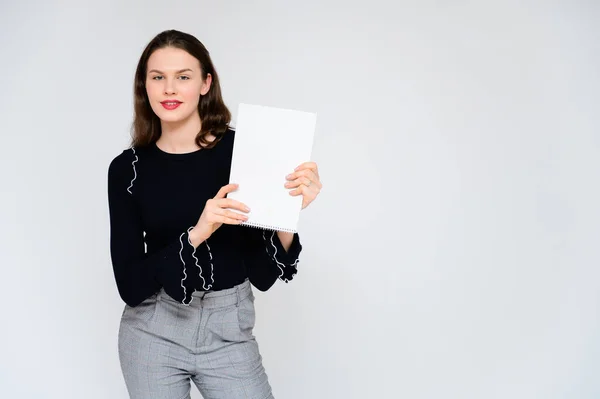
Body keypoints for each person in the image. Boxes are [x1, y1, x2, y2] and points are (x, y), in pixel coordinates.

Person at [107, 29, 322, 399]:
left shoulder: (244, 151)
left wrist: (289, 212)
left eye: (183, 77)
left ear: (206, 83)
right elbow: (129, 284)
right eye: (158, 77)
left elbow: (265, 275)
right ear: (145, 86)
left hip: (228, 330)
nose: (169, 89)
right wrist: (196, 233)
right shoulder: (127, 169)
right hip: (152, 330)